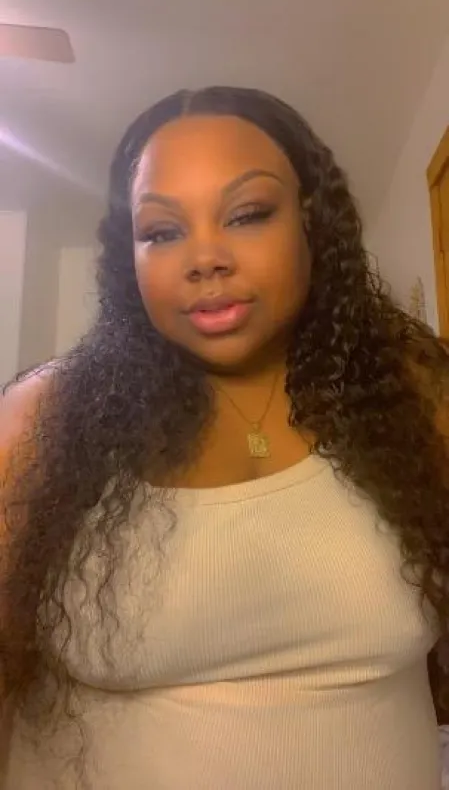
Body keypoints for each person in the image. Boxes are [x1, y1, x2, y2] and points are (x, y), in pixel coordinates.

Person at [1, 86, 448, 789]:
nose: (204, 258)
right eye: (161, 231)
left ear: (311, 221)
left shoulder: (415, 388)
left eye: (247, 214)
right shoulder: (44, 417)